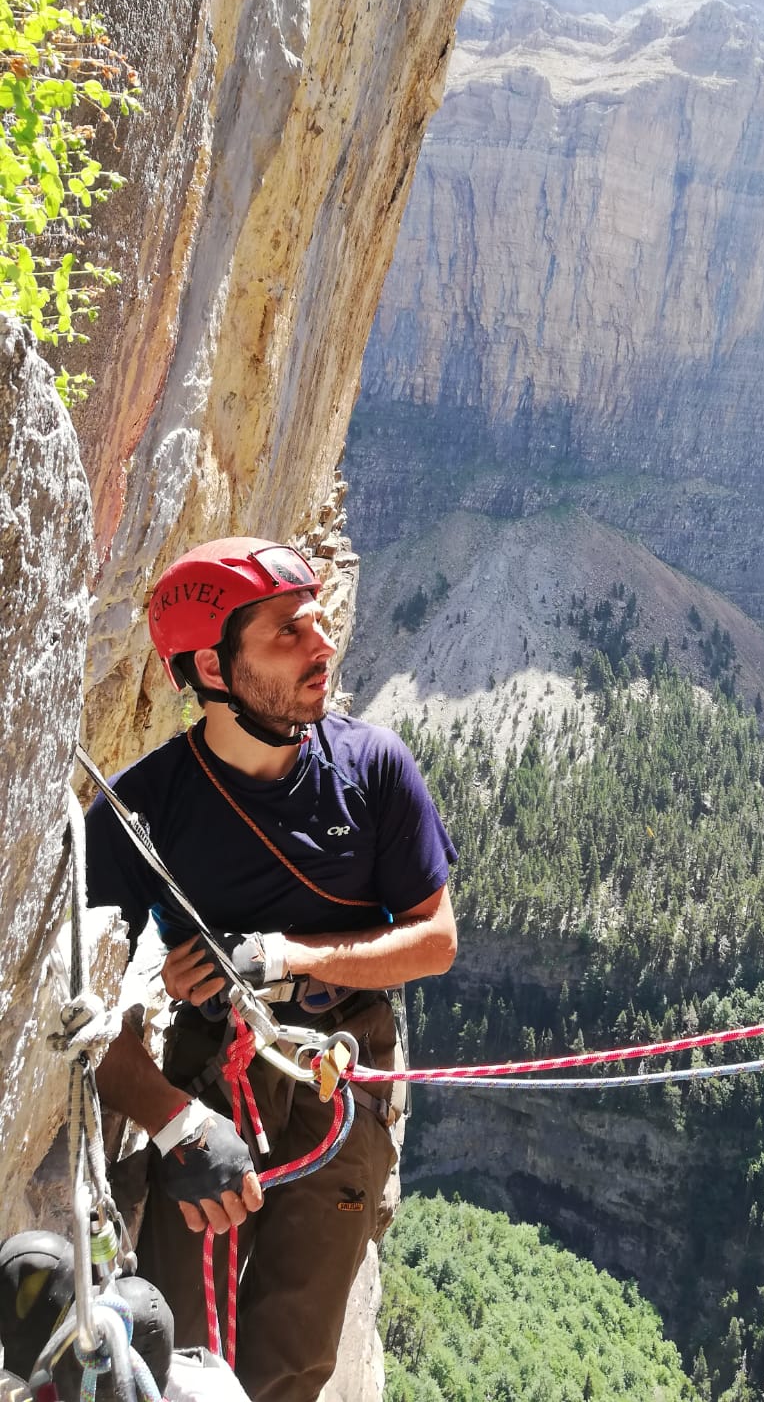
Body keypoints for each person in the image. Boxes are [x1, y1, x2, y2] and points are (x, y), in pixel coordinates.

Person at [85, 537, 457, 1402]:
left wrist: (284, 956)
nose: (323, 645)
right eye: (289, 630)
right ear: (213, 667)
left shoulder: (372, 768)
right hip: (216, 1076)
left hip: (343, 1067)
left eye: (319, 621)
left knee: (293, 1354)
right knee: (179, 1337)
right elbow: (83, 1020)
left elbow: (435, 939)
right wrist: (175, 1119)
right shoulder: (143, 812)